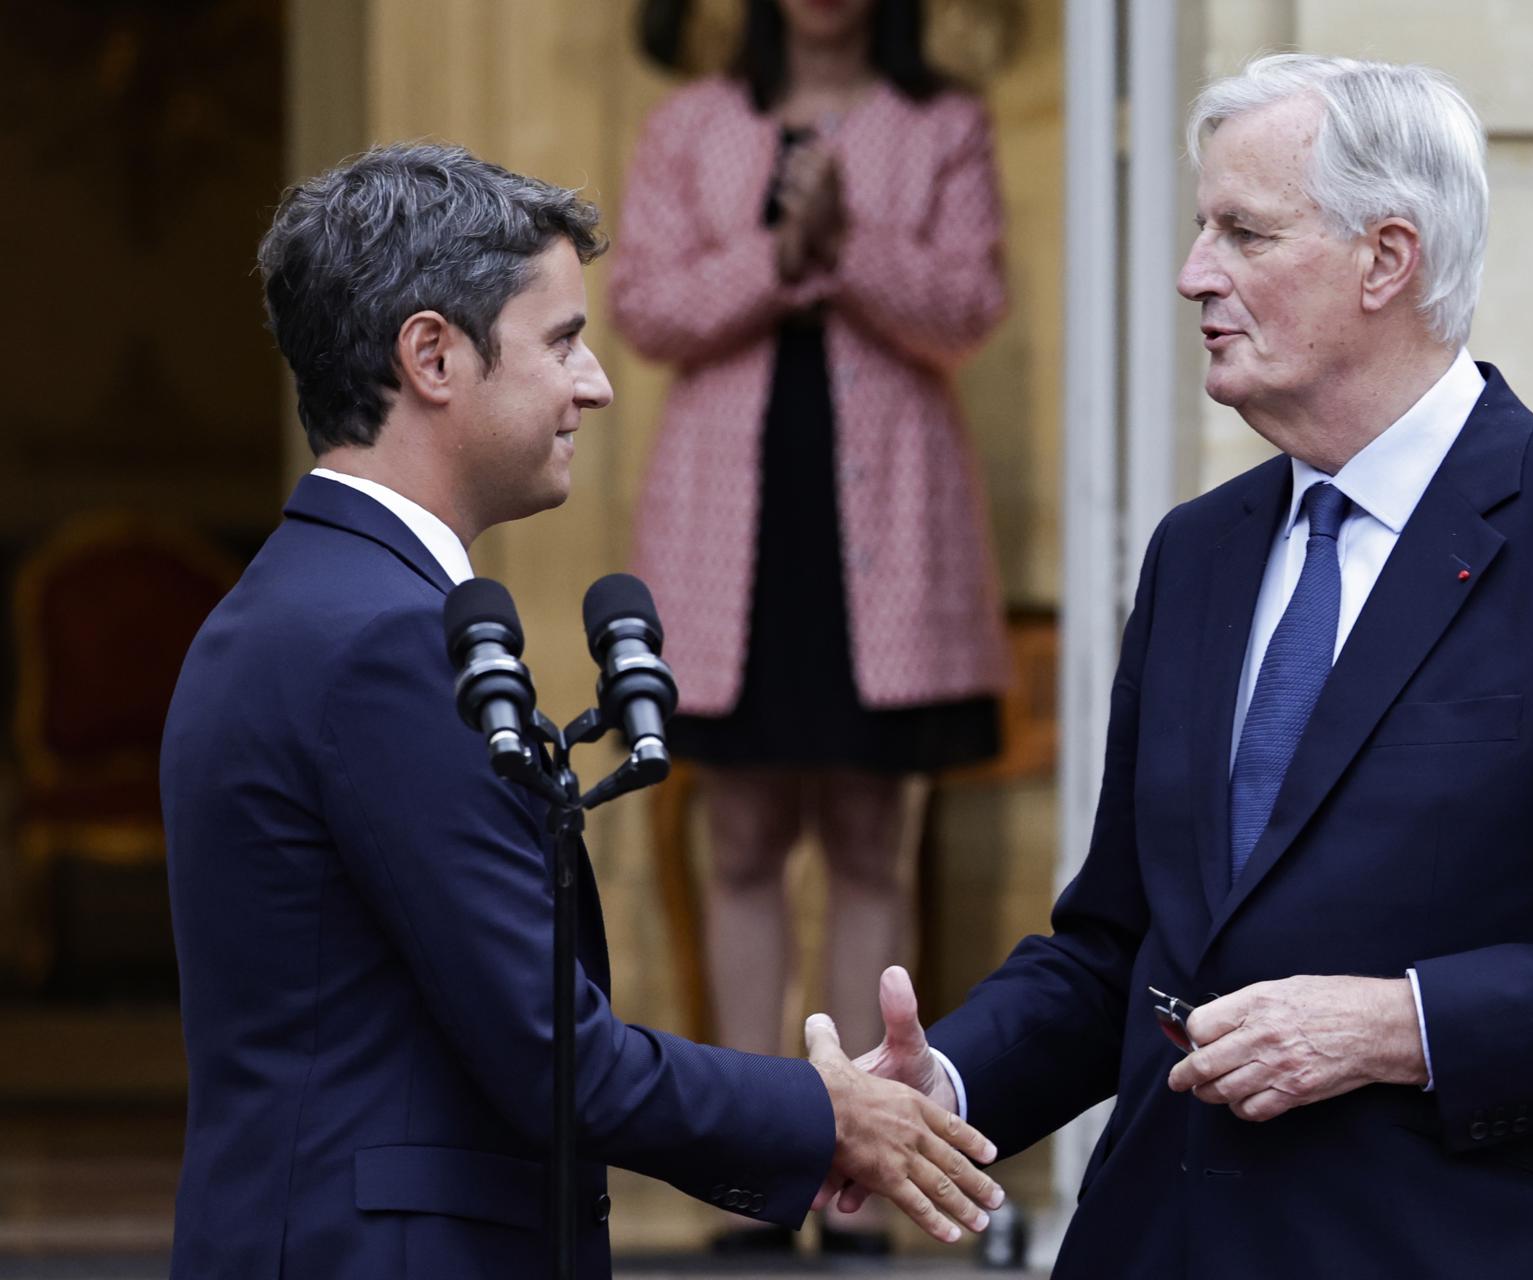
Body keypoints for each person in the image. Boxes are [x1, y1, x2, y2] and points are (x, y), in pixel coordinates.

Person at [838, 54, 1533, 1277]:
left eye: (1244, 232)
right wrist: (942, 1077)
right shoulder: (1198, 552)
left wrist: (1406, 1023)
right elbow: (1122, 947)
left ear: (1386, 258)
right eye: (1202, 228)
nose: (1195, 272)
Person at [159, 141, 1002, 1280]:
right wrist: (826, 1113)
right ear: (432, 356)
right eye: (561, 341)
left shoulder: (298, 600)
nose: (596, 384)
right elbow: (556, 1054)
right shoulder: (384, 641)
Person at [608, 0, 1008, 1254]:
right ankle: (751, 1164)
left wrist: (849, 241)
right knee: (737, 832)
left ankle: (875, 1167)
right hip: (734, 519)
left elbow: (966, 305)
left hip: (884, 520)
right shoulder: (692, 122)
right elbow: (646, 309)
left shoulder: (942, 121)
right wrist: (782, 252)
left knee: (871, 834)